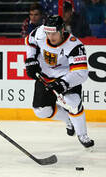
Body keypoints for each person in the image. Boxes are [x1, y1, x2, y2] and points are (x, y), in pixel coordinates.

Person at [24, 15, 94, 148]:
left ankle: (82, 134)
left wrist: (63, 83)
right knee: (41, 111)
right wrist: (30, 58)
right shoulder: (40, 33)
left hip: (66, 76)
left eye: (54, 33)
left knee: (72, 102)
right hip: (45, 76)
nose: (50, 36)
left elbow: (81, 73)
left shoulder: (74, 45)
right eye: (48, 33)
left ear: (62, 30)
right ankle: (68, 120)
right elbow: (29, 41)